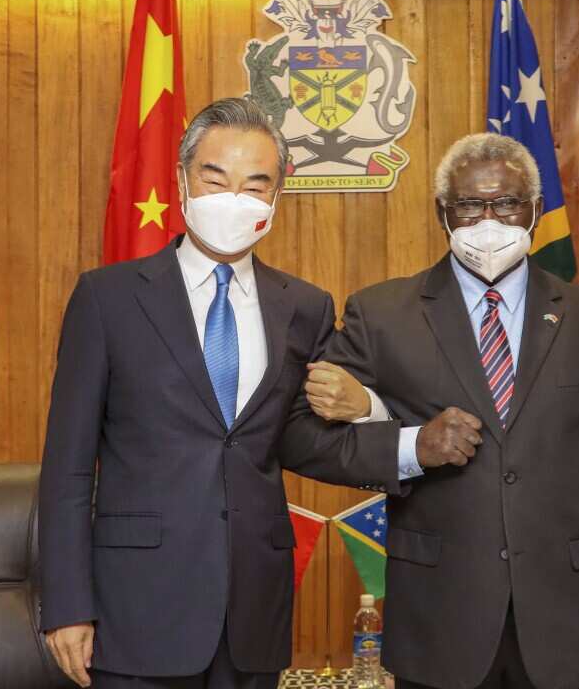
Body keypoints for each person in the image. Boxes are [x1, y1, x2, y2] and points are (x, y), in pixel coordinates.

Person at [36, 98, 449, 689]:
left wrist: (384, 423)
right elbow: (68, 468)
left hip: (255, 606)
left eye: (257, 183)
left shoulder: (304, 307)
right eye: (216, 178)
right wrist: (69, 603)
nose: (235, 198)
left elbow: (304, 439)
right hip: (137, 606)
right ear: (182, 181)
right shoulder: (108, 299)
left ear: (276, 198)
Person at [293, 133, 579, 688]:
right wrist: (411, 448)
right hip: (438, 619)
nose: (489, 220)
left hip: (566, 622)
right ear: (442, 214)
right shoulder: (382, 315)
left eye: (507, 203)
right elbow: (305, 439)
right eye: (470, 205)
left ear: (535, 210)